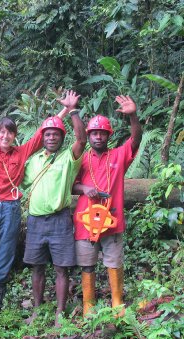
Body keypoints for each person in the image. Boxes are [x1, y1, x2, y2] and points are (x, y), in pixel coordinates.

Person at [0, 70, 68, 315]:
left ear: (14, 136)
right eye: (1, 132)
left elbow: (44, 132)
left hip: (11, 209)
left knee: (5, 254)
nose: (5, 136)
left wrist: (63, 111)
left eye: (9, 132)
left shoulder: (21, 152)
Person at [73, 95, 142, 317]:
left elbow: (136, 140)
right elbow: (70, 185)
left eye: (102, 133)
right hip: (86, 220)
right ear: (89, 136)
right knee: (87, 263)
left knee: (114, 261)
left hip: (112, 220)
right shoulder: (80, 158)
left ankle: (117, 302)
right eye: (94, 133)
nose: (98, 136)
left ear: (108, 135)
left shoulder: (118, 155)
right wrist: (84, 189)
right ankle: (89, 305)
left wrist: (132, 115)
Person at [22, 91, 87, 326]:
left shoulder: (68, 157)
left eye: (56, 134)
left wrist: (73, 110)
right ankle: (38, 310)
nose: (51, 137)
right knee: (37, 267)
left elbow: (81, 140)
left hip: (60, 219)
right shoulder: (34, 160)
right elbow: (18, 177)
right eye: (47, 134)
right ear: (42, 137)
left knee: (61, 268)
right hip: (36, 221)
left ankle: (60, 312)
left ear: (61, 137)